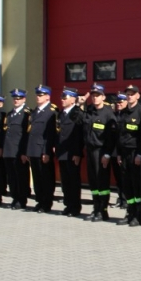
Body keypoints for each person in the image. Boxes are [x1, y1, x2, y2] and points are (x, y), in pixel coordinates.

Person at [116, 84, 141, 227]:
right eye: (128, 94)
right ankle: (130, 212)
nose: (129, 96)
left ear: (138, 96)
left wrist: (140, 154)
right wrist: (118, 154)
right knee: (127, 185)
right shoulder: (123, 113)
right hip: (123, 154)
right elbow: (119, 135)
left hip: (135, 153)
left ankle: (139, 215)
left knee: (136, 185)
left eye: (132, 94)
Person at [83, 84, 118, 222]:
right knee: (93, 182)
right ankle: (96, 208)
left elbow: (112, 137)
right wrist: (80, 105)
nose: (95, 98)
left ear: (103, 97)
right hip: (90, 151)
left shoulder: (109, 114)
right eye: (93, 95)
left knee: (102, 182)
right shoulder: (89, 111)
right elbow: (78, 121)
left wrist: (108, 154)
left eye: (97, 95)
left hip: (101, 151)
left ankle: (103, 211)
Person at [26, 85, 58, 213]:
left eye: (41, 95)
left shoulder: (51, 112)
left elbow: (50, 134)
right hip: (33, 149)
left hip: (43, 150)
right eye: (37, 95)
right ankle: (39, 201)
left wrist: (46, 151)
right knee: (37, 178)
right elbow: (30, 133)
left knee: (46, 178)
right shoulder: (34, 112)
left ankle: (46, 203)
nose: (38, 97)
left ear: (47, 97)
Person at [56, 87, 86, 217]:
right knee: (65, 181)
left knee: (73, 182)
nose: (62, 100)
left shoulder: (77, 113)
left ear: (73, 99)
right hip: (62, 152)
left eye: (65, 98)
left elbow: (79, 135)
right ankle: (68, 205)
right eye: (62, 98)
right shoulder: (61, 113)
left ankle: (75, 207)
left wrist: (78, 153)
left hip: (72, 153)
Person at [2, 88, 31, 210]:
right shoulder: (10, 114)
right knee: (12, 177)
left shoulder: (27, 114)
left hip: (19, 151)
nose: (16, 101)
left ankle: (22, 200)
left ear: (24, 99)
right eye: (14, 98)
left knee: (21, 177)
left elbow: (27, 135)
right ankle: (15, 198)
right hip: (9, 150)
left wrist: (24, 152)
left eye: (18, 98)